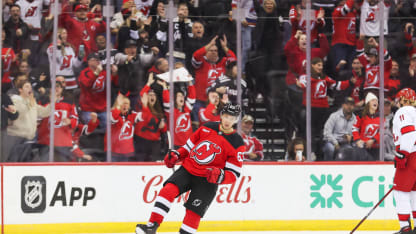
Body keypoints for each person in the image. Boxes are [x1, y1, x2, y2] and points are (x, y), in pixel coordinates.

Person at [135, 103, 245, 234]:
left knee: (193, 213)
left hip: (207, 180)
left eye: (232, 118)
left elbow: (234, 174)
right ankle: (151, 226)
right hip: (188, 169)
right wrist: (177, 155)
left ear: (236, 120)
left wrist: (221, 176)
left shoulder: (237, 143)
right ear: (222, 115)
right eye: (226, 116)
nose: (228, 120)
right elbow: (187, 148)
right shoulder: (207, 127)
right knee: (167, 191)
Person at [191, 35, 236, 127]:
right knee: (201, 126)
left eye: (215, 51)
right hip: (201, 101)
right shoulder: (201, 62)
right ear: (206, 52)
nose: (213, 52)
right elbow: (196, 55)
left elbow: (234, 60)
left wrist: (224, 47)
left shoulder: (223, 62)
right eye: (211, 50)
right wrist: (210, 44)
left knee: (220, 127)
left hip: (219, 103)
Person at [3, 80, 51, 162]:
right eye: (27, 86)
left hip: (29, 138)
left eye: (30, 87)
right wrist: (30, 102)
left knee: (26, 164)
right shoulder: (15, 100)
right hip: (16, 138)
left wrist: (52, 103)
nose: (30, 89)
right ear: (20, 89)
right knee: (14, 163)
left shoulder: (31, 101)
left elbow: (43, 112)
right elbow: (19, 112)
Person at [391, 88, 416, 233]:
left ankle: (405, 228)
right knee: (414, 192)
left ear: (402, 99)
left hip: (411, 155)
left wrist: (402, 154)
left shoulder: (403, 111)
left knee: (400, 192)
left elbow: (409, 133)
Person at [162, 80, 196, 149]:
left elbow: (192, 96)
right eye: (179, 96)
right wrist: (165, 88)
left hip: (188, 145)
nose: (182, 97)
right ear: (174, 99)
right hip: (174, 145)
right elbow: (167, 100)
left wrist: (189, 82)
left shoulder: (187, 109)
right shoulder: (171, 111)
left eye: (183, 96)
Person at [351, 92, 380, 160]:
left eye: (376, 101)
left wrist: (373, 140)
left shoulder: (381, 116)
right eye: (373, 100)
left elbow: (383, 131)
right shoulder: (360, 116)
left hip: (377, 147)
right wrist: (358, 140)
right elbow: (354, 128)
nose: (375, 102)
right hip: (363, 146)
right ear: (368, 103)